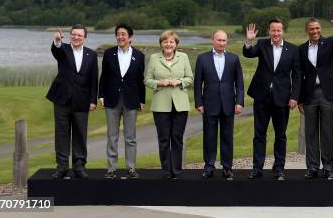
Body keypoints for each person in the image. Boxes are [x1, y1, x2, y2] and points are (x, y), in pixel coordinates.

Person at [243, 18, 301, 180]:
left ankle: (279, 169)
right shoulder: (262, 44)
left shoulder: (293, 50)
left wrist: (295, 97)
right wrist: (249, 40)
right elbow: (248, 53)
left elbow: (297, 76)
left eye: (278, 30)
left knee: (280, 135)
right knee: (259, 134)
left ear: (282, 32)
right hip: (261, 97)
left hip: (282, 98)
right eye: (273, 30)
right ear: (269, 31)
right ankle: (257, 168)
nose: (276, 33)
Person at [298, 12, 333, 181]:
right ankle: (312, 167)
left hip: (327, 92)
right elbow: (298, 75)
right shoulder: (301, 49)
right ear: (307, 31)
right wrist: (299, 99)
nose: (315, 31)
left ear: (321, 29)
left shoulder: (330, 42)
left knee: (327, 131)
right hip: (309, 94)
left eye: (317, 28)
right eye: (312, 29)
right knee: (310, 132)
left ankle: (328, 168)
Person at [47, 25, 98, 179]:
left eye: (79, 35)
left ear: (85, 38)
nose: (76, 37)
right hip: (62, 99)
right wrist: (56, 41)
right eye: (74, 34)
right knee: (62, 134)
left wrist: (93, 100)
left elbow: (93, 79)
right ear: (70, 36)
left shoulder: (92, 54)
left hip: (82, 101)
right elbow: (56, 50)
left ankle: (79, 166)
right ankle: (62, 167)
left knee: (80, 134)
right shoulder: (64, 49)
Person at [194, 30, 244, 180]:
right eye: (219, 40)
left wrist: (239, 102)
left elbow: (239, 84)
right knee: (209, 136)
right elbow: (198, 84)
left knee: (227, 136)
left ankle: (227, 167)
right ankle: (209, 166)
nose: (222, 43)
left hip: (229, 104)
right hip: (209, 104)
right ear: (212, 40)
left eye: (224, 40)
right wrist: (199, 103)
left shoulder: (233, 59)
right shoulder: (202, 59)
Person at [98, 23, 145, 179]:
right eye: (118, 34)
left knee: (130, 137)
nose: (120, 37)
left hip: (131, 100)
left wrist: (142, 100)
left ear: (130, 37)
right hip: (111, 99)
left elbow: (140, 80)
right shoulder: (108, 53)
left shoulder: (139, 56)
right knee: (112, 136)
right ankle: (111, 169)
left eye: (123, 34)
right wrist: (101, 95)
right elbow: (103, 77)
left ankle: (131, 168)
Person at [144, 31, 193, 179]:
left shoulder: (183, 57)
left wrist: (180, 82)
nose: (168, 44)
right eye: (165, 41)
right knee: (164, 138)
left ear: (176, 44)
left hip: (180, 105)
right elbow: (147, 80)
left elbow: (190, 78)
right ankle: (166, 170)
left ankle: (176, 171)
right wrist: (160, 82)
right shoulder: (154, 58)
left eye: (171, 42)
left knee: (177, 138)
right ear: (161, 44)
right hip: (160, 105)